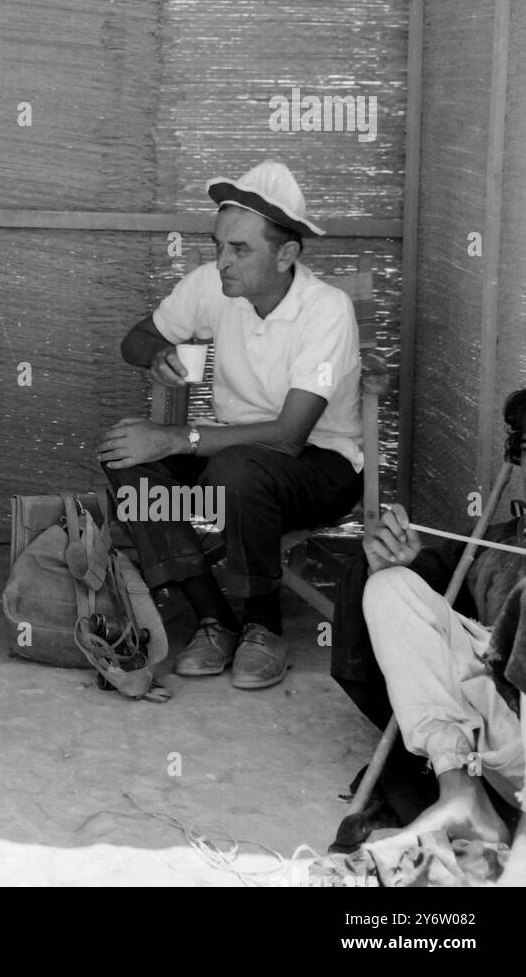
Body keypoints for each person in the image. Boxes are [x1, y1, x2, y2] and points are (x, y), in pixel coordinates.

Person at [96, 161, 363, 690]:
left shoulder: (327, 309)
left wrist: (176, 437)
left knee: (236, 469)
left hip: (318, 470)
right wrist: (158, 352)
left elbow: (289, 434)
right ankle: (212, 618)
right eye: (218, 245)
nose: (222, 262)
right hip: (229, 461)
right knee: (125, 455)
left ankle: (265, 626)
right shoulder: (213, 287)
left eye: (240, 250)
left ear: (286, 255)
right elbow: (136, 337)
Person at [362, 505, 525, 885]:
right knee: (391, 588)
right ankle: (463, 796)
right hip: (504, 724)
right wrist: (388, 564)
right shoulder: (505, 542)